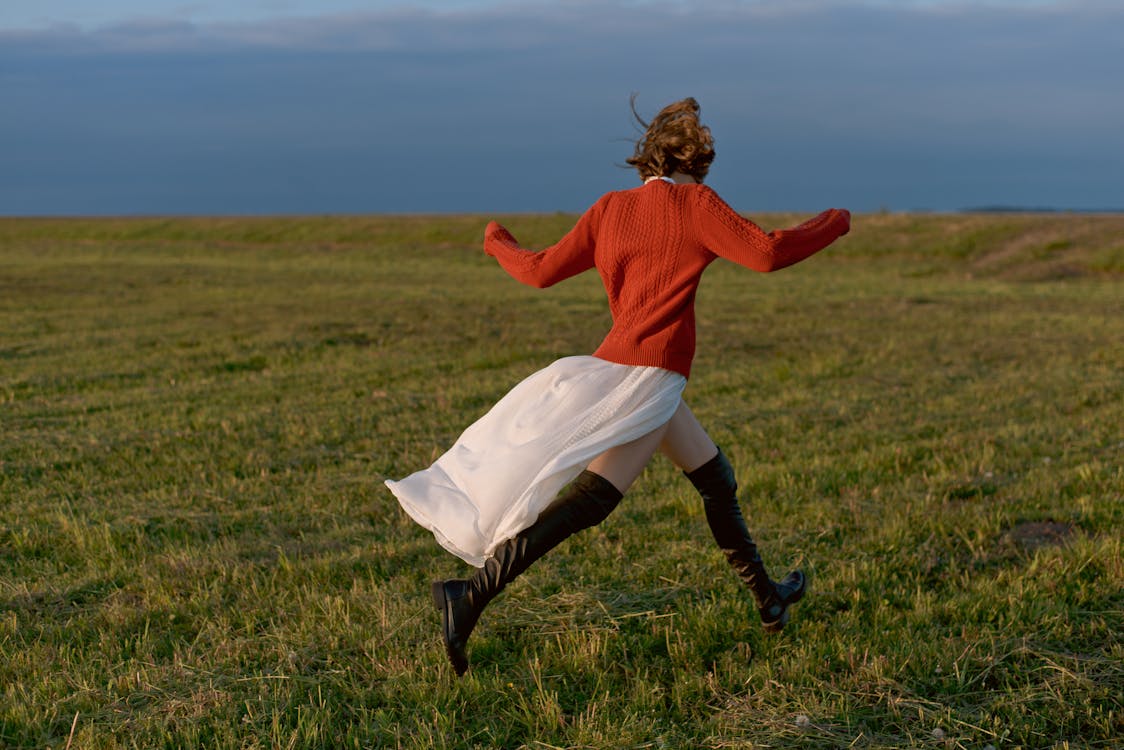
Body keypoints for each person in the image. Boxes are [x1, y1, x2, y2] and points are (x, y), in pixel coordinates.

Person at [385, 97, 850, 676]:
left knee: (715, 479)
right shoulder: (695, 202)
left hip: (624, 370)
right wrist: (836, 220)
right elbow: (768, 253)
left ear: (645, 161)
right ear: (695, 164)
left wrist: (496, 240)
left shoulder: (610, 209)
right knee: (593, 503)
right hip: (651, 377)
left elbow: (537, 270)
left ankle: (768, 597)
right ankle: (470, 597)